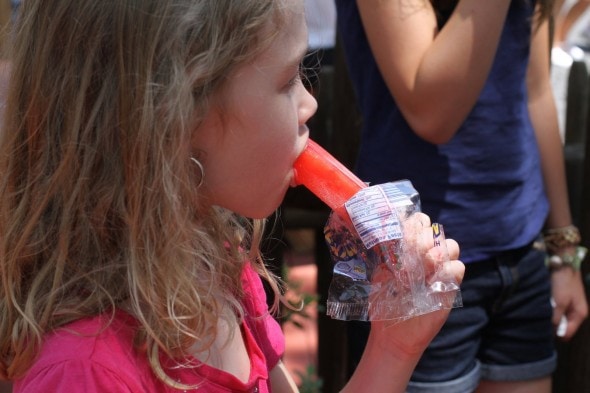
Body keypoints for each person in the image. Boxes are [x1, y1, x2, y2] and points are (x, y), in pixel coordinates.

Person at [0, 1, 464, 392]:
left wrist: (394, 348)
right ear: (174, 119)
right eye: (287, 82)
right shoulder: (85, 372)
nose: (311, 105)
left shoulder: (216, 267)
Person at [335, 0, 588, 392]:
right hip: (416, 263)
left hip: (521, 249)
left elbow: (536, 92)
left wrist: (562, 248)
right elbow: (433, 114)